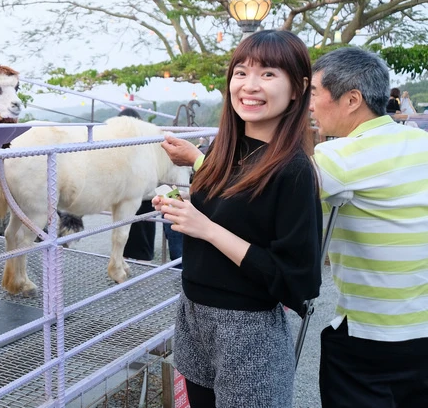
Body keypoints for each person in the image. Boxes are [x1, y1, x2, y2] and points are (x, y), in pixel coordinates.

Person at [153, 30, 322, 408]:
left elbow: (299, 280)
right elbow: (237, 212)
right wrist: (182, 205)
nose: (250, 85)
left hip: (248, 330)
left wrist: (208, 230)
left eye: (268, 74)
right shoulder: (222, 151)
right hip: (193, 314)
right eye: (241, 72)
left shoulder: (293, 170)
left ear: (297, 88)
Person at [309, 47, 428, 408]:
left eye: (314, 93)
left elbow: (266, 196)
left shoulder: (340, 157)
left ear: (351, 100)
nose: (309, 106)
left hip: (369, 340)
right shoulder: (421, 142)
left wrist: (200, 161)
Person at [118, 107, 160, 262]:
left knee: (125, 237)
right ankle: (134, 272)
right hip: (142, 202)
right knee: (140, 243)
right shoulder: (147, 147)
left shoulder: (121, 148)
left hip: (132, 202)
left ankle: (123, 269)